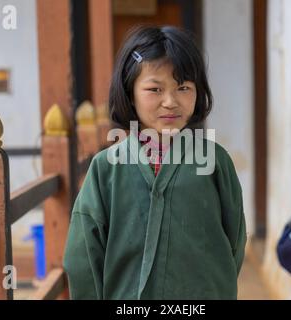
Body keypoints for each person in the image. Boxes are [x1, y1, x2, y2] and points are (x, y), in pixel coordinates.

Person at [63, 25, 247, 300]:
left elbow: (235, 241)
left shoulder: (215, 162)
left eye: (183, 87)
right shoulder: (106, 168)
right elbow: (84, 255)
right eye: (154, 89)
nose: (170, 101)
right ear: (130, 93)